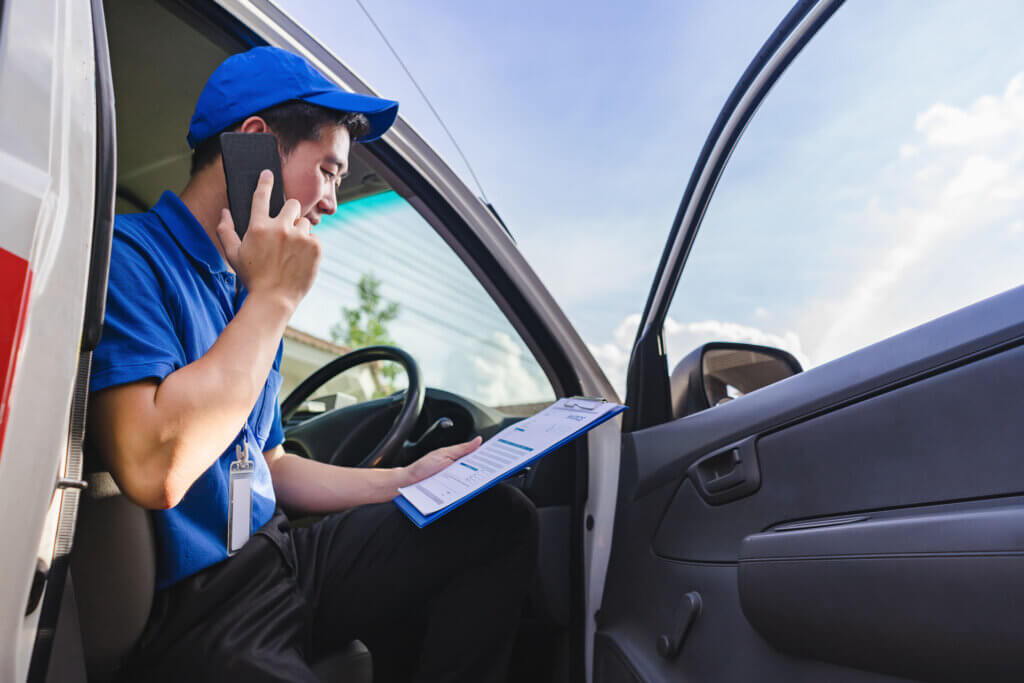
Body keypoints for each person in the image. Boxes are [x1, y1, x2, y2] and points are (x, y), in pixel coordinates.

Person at [85, 46, 538, 683]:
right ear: (255, 146)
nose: (332, 200)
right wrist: (273, 300)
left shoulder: (242, 289)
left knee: (497, 522)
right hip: (202, 605)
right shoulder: (129, 258)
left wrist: (407, 478)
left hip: (280, 556)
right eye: (328, 170)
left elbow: (267, 462)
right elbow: (154, 465)